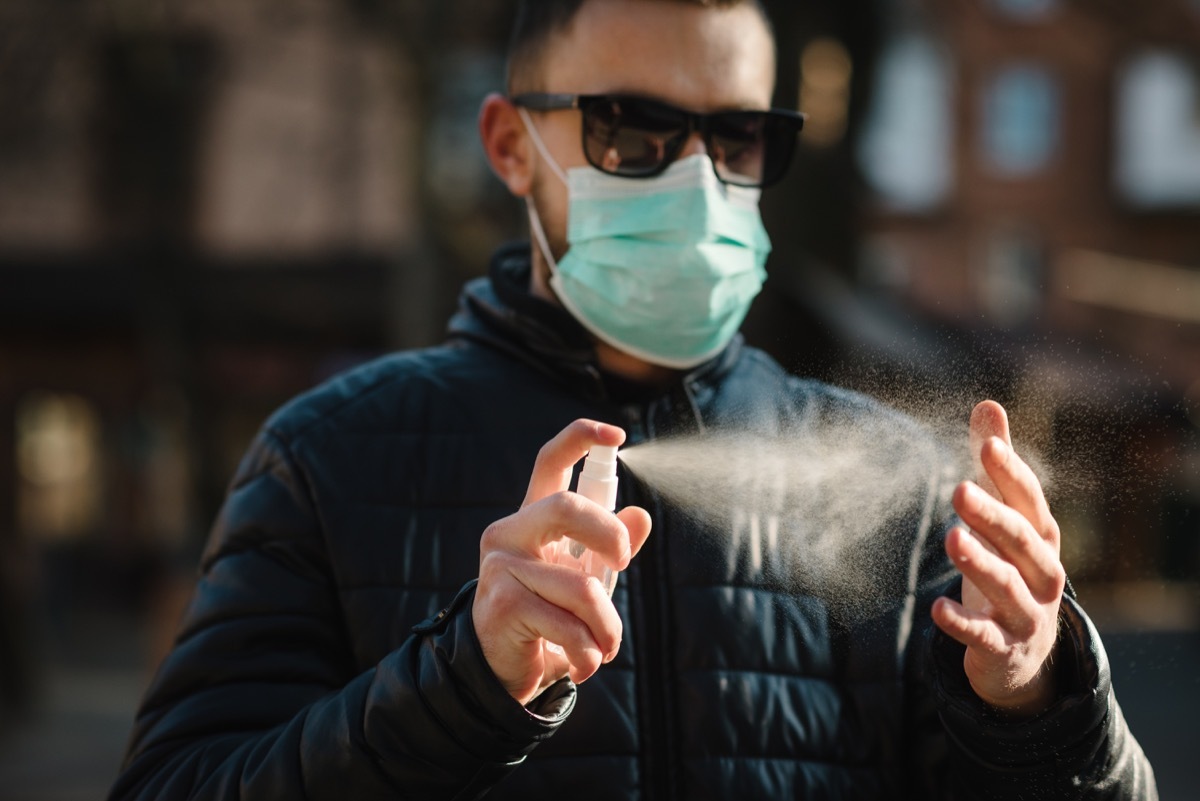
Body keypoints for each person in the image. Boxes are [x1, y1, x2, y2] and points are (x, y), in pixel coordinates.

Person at [109, 1, 1157, 798]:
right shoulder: (328, 456)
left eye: (737, 139)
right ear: (511, 145)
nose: (696, 182)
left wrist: (1035, 695)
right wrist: (464, 684)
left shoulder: (897, 484)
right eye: (631, 131)